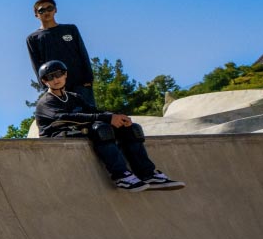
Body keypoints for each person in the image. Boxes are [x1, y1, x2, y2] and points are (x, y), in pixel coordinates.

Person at [34, 60, 185, 192]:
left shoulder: (74, 97)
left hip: (77, 130)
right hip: (57, 135)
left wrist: (117, 117)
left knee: (132, 129)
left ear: (65, 74)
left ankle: (148, 174)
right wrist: (107, 118)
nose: (55, 79)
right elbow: (66, 118)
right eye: (50, 77)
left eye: (58, 74)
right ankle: (121, 176)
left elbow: (94, 112)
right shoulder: (46, 102)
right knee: (101, 130)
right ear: (44, 81)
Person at [26, 0, 96, 106]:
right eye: (42, 10)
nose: (46, 12)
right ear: (36, 14)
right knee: (64, 115)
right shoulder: (33, 38)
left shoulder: (70, 29)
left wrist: (88, 79)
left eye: (50, 8)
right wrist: (45, 87)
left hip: (80, 83)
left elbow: (83, 53)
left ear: (55, 10)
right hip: (56, 85)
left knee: (88, 113)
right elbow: (36, 65)